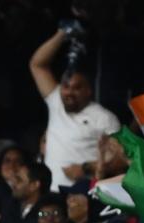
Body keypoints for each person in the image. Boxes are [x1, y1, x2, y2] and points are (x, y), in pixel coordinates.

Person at [28, 26, 119, 190]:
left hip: (86, 195)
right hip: (53, 193)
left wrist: (86, 168)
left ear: (88, 90)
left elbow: (119, 159)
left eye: (77, 88)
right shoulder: (56, 101)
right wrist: (62, 33)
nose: (69, 92)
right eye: (66, 86)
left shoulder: (104, 117)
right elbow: (37, 64)